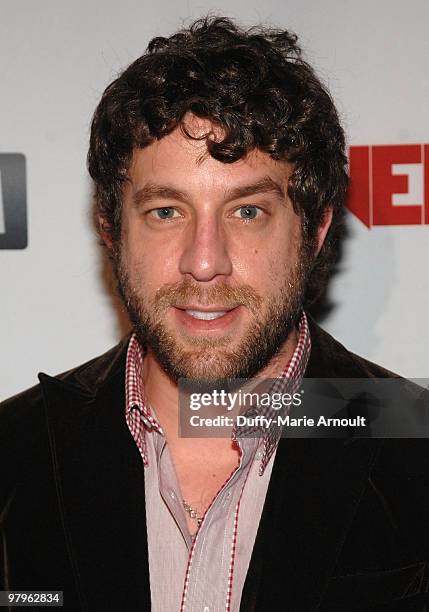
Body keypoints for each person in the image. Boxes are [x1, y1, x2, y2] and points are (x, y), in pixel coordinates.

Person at [1, 16, 428, 612]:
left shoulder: (417, 449)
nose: (205, 263)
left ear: (316, 230)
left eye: (248, 212)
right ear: (111, 232)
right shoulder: (12, 454)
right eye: (166, 212)